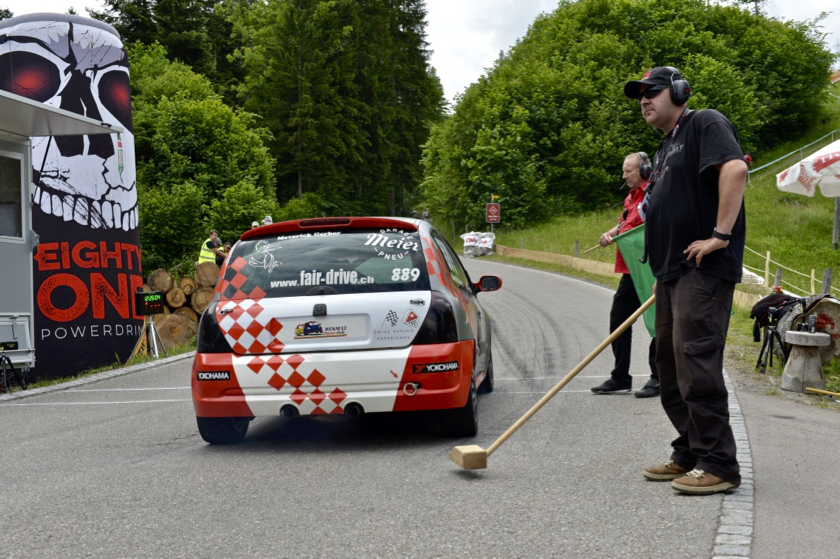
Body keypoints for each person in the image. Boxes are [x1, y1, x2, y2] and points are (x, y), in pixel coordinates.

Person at [624, 66, 748, 495]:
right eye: (639, 95)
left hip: (704, 269)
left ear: (678, 91)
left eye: (652, 92)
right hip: (672, 273)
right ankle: (691, 451)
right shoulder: (663, 149)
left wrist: (720, 236)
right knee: (668, 365)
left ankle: (720, 463)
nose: (643, 100)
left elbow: (735, 171)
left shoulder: (704, 123)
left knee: (696, 362)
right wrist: (662, 274)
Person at [591, 152, 660, 398]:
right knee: (618, 322)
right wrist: (609, 235)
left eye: (628, 171)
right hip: (631, 270)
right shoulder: (631, 196)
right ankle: (620, 377)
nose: (623, 176)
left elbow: (653, 225)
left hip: (651, 268)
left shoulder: (654, 193)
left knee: (657, 322)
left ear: (644, 171)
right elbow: (625, 226)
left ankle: (658, 377)